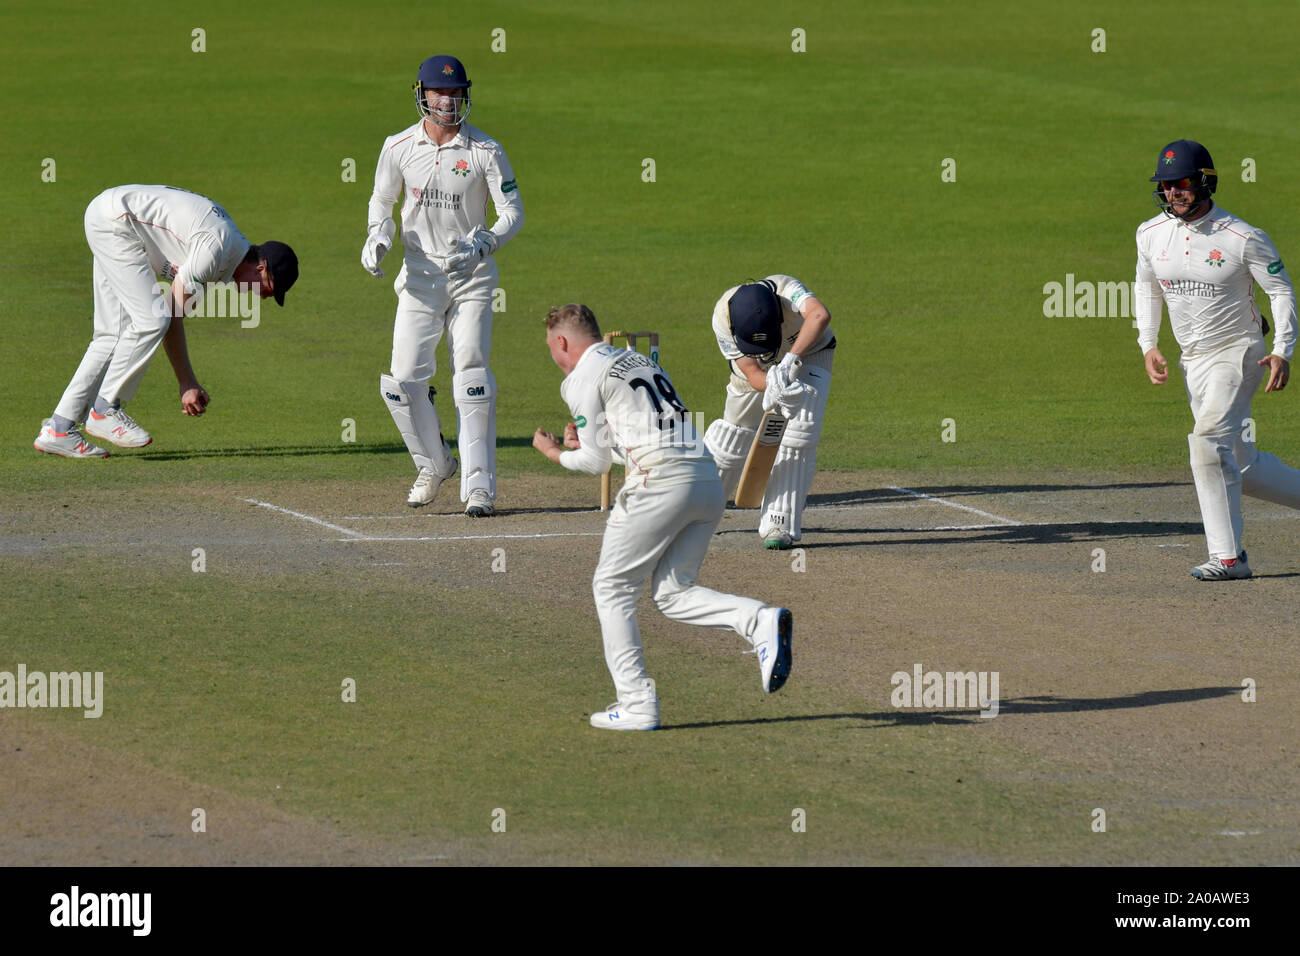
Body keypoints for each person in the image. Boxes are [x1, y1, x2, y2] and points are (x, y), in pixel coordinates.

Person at [532, 304, 793, 731]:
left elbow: (596, 463)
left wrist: (557, 454)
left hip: (659, 483)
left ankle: (636, 703)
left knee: (612, 587)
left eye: (551, 348)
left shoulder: (580, 377)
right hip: (705, 480)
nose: (554, 358)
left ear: (562, 341)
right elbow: (634, 439)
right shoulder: (639, 361)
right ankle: (758, 620)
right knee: (672, 592)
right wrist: (591, 443)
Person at [363, 54, 524, 515]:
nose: (448, 102)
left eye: (455, 94)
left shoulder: (485, 150)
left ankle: (479, 487)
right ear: (422, 95)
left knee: (470, 371)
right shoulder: (397, 147)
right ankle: (434, 464)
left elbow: (513, 212)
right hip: (419, 276)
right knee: (402, 382)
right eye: (440, 94)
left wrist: (486, 243)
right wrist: (377, 237)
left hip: (471, 274)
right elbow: (382, 199)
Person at [1135, 139, 1300, 580]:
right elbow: (1147, 288)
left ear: (1206, 182)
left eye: (1183, 184)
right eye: (1167, 186)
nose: (1174, 193)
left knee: (1207, 441)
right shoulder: (1150, 234)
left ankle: (1229, 558)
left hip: (1240, 352)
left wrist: (1283, 349)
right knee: (1240, 465)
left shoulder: (1243, 237)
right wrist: (1148, 343)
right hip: (1194, 360)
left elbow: (1280, 291)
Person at [33, 184, 297, 457]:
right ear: (261, 268)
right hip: (117, 222)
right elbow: (167, 316)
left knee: (112, 335)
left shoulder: (220, 263)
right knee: (151, 320)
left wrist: (188, 382)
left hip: (113, 219)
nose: (265, 297)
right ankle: (105, 410)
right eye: (269, 289)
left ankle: (59, 429)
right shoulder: (216, 249)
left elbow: (175, 317)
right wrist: (186, 382)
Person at [701, 275, 834, 549]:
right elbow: (751, 372)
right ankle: (698, 514)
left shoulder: (787, 290)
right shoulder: (722, 317)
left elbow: (819, 315)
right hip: (758, 371)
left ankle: (778, 521)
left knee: (801, 430)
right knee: (731, 437)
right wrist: (774, 386)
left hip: (811, 351)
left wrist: (790, 361)